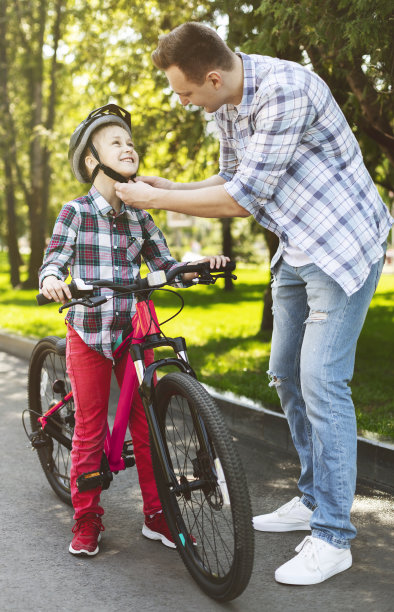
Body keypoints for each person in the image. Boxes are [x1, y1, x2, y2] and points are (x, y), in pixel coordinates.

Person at [114, 23, 393, 585]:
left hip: (340, 246)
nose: (182, 102)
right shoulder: (227, 105)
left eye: (185, 93)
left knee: (321, 381)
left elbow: (242, 200)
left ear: (213, 77)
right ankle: (314, 498)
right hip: (297, 245)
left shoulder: (287, 90)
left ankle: (334, 535)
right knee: (285, 374)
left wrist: (160, 200)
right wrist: (176, 187)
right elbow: (230, 175)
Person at [39, 103, 228, 557]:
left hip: (133, 334)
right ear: (92, 161)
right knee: (89, 428)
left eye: (131, 142)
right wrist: (51, 281)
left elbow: (164, 262)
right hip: (89, 331)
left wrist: (192, 267)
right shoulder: (76, 212)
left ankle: (157, 513)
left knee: (147, 425)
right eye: (116, 142)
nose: (129, 148)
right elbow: (55, 259)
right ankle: (86, 519)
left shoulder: (141, 214)